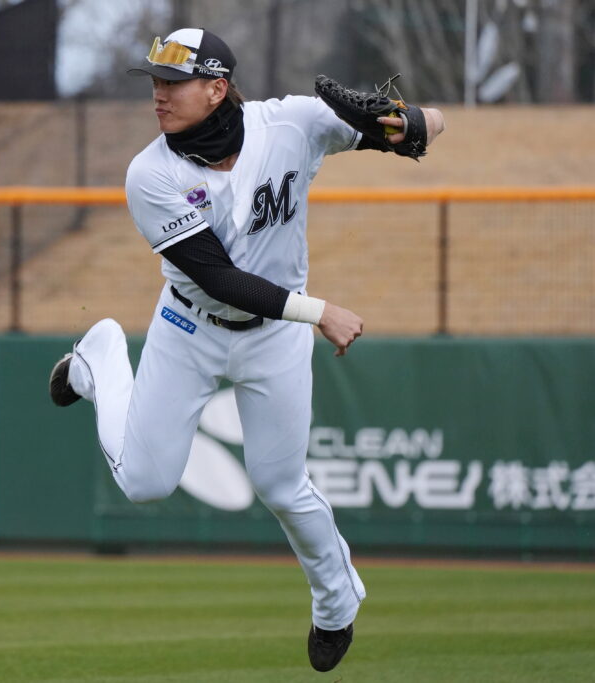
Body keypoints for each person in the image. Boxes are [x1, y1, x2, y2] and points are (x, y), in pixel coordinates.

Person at [49, 28, 445, 672]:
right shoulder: (150, 173)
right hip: (190, 326)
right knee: (145, 483)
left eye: (173, 83)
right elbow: (218, 279)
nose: (158, 94)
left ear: (217, 87)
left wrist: (411, 123)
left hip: (273, 337)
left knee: (282, 486)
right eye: (154, 82)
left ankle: (336, 602)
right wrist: (321, 312)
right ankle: (101, 357)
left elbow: (426, 128)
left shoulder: (291, 124)